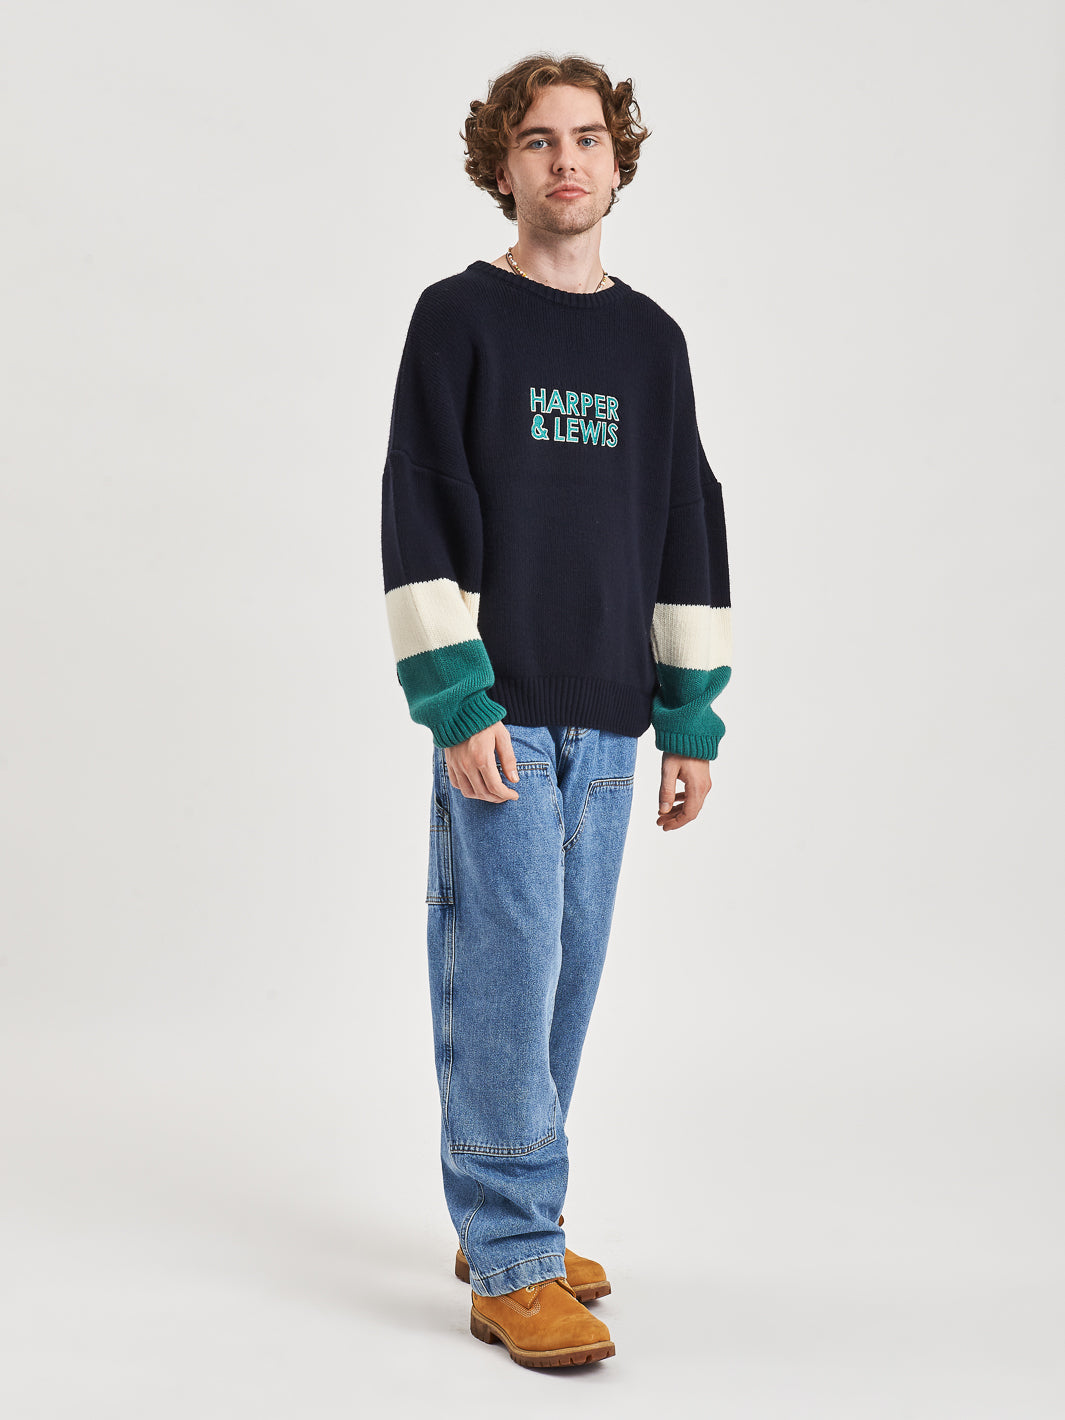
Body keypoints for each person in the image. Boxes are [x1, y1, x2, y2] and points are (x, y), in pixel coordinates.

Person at [380, 52, 733, 1369]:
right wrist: (455, 698)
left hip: (611, 717)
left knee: (567, 975)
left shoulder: (652, 343)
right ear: (503, 165)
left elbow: (687, 521)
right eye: (538, 140)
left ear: (619, 162)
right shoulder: (458, 319)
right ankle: (515, 1254)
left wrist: (688, 716)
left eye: (587, 137)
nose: (565, 159)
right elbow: (419, 506)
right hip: (503, 710)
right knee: (508, 965)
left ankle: (507, 1212)